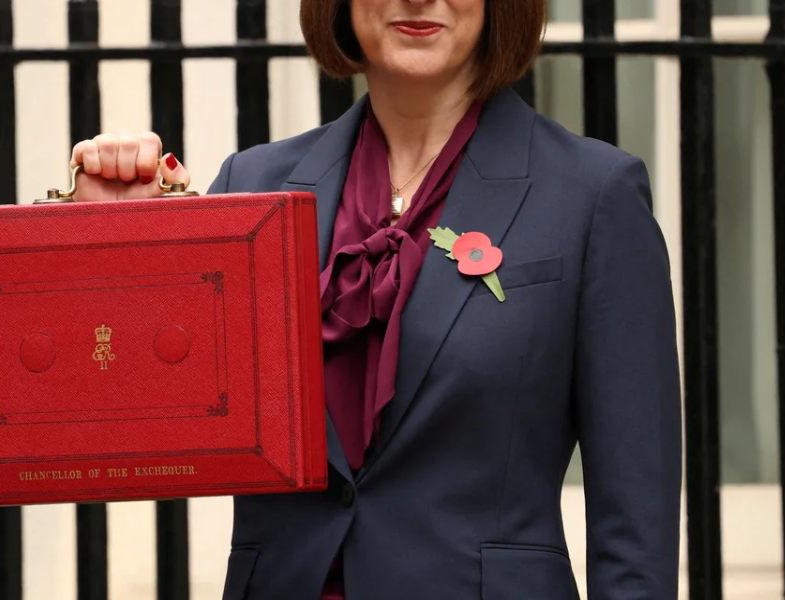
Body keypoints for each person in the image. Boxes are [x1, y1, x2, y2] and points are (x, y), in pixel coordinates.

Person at [68, 0, 682, 598]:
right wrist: (116, 246)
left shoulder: (592, 195)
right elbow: (149, 422)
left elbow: (635, 523)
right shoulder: (251, 187)